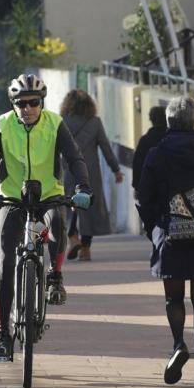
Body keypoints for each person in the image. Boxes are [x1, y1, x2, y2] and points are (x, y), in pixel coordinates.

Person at [0, 74, 92, 362]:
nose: (28, 109)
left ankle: (55, 277)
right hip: (12, 198)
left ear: (42, 102)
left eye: (33, 102)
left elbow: (75, 158)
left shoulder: (54, 123)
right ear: (13, 105)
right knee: (5, 260)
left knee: (57, 223)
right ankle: (2, 335)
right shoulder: (3, 124)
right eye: (21, 103)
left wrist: (83, 188)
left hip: (49, 195)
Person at [137, 96, 194, 388]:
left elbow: (144, 198)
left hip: (170, 236)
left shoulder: (157, 153)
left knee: (173, 299)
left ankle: (179, 344)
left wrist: (155, 229)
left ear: (169, 122)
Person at [60, 89, 123, 261]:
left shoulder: (62, 122)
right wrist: (116, 169)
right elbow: (106, 148)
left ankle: (73, 237)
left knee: (70, 205)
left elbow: (54, 148)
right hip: (91, 172)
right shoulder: (95, 122)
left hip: (70, 169)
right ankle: (86, 249)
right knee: (89, 207)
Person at [132, 105, 167, 193]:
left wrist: (136, 186)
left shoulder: (145, 141)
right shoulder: (172, 139)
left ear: (151, 120)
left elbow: (138, 164)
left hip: (149, 188)